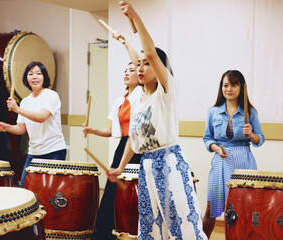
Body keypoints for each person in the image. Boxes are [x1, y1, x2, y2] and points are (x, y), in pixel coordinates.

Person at [108, 1, 207, 239]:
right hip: (147, 166)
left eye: (146, 65)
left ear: (158, 66)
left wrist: (135, 16)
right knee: (152, 228)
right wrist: (120, 167)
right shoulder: (139, 98)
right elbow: (134, 137)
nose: (140, 68)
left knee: (182, 225)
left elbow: (150, 52)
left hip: (169, 162)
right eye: (137, 65)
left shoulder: (166, 91)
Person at [83, 31, 143, 240]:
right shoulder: (120, 100)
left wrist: (125, 42)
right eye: (125, 70)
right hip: (123, 147)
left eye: (132, 69)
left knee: (134, 194)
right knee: (112, 191)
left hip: (140, 148)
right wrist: (92, 130)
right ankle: (107, 234)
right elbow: (112, 131)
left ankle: (133, 231)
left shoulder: (142, 95)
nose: (127, 73)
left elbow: (138, 60)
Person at [202, 70, 264, 237]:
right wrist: (217, 148)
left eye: (234, 84)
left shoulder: (250, 112)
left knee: (243, 209)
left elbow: (260, 140)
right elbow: (207, 138)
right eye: (225, 85)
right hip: (220, 161)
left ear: (241, 87)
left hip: (243, 162)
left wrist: (251, 134)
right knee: (211, 207)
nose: (229, 89)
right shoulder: (213, 112)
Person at [0, 61, 67, 188]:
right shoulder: (25, 101)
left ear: (44, 77)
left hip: (54, 151)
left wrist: (17, 110)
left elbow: (41, 117)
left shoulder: (51, 95)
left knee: (49, 192)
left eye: (38, 73)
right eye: (30, 74)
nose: (34, 77)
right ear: (26, 79)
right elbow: (21, 129)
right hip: (34, 152)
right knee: (25, 189)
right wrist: (7, 127)